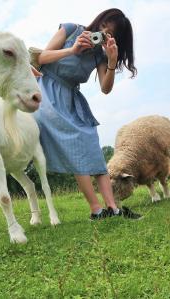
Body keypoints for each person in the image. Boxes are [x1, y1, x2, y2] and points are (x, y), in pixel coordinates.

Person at [34, 8, 141, 220]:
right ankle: (96, 209)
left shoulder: (99, 54)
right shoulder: (71, 29)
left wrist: (111, 61)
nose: (102, 33)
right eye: (102, 27)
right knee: (75, 145)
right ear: (99, 21)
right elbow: (42, 57)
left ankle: (114, 209)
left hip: (72, 99)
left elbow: (105, 88)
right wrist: (72, 50)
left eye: (109, 33)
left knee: (92, 144)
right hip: (47, 93)